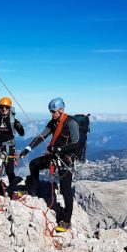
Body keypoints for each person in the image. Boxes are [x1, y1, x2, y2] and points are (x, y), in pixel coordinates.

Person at [19, 97, 79, 232]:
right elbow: (42, 136)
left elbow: (76, 144)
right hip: (54, 156)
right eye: (51, 112)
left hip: (66, 160)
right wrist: (27, 149)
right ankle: (33, 190)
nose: (51, 114)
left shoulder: (71, 123)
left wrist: (59, 150)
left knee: (65, 189)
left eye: (53, 112)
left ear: (61, 110)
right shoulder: (53, 122)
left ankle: (67, 220)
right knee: (34, 165)